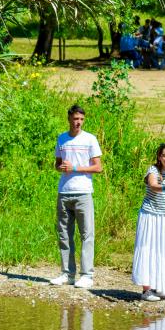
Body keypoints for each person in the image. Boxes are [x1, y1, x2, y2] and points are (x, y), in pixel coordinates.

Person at [51, 105, 103, 289]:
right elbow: (57, 164)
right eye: (75, 119)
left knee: (87, 234)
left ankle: (87, 275)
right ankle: (67, 274)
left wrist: (74, 168)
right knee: (64, 234)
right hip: (64, 192)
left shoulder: (90, 139)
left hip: (83, 192)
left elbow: (98, 167)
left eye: (81, 119)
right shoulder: (62, 138)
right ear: (69, 119)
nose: (78, 122)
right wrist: (61, 167)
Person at [132, 142, 165, 301]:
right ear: (159, 157)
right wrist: (164, 187)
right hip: (150, 215)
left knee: (164, 251)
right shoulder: (152, 170)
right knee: (148, 249)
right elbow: (153, 185)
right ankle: (146, 290)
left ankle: (162, 288)